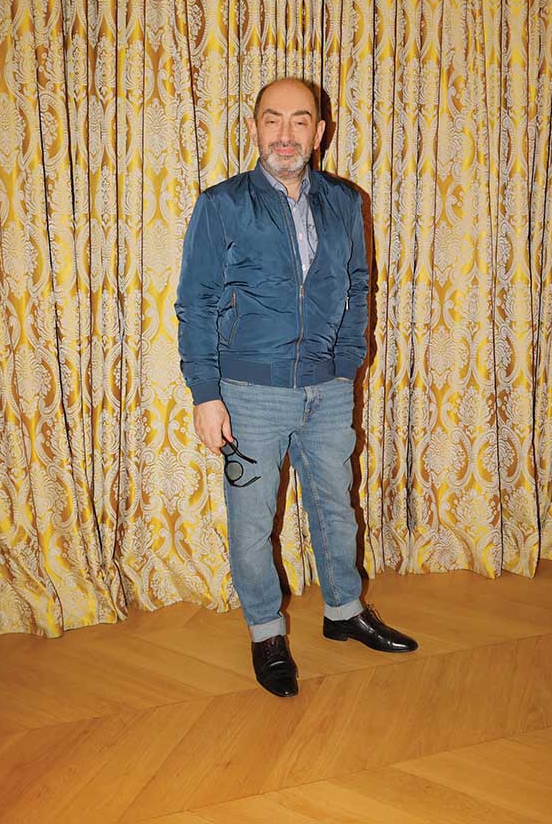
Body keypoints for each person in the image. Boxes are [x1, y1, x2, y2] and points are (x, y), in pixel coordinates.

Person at [175, 77, 418, 697]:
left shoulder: (344, 201)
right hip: (249, 393)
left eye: (300, 120)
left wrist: (346, 363)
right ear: (254, 127)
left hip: (328, 389)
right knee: (253, 523)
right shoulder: (222, 205)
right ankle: (266, 632)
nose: (286, 134)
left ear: (320, 131)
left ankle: (344, 611)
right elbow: (196, 305)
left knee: (336, 507)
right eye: (273, 119)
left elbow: (358, 285)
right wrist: (206, 394)